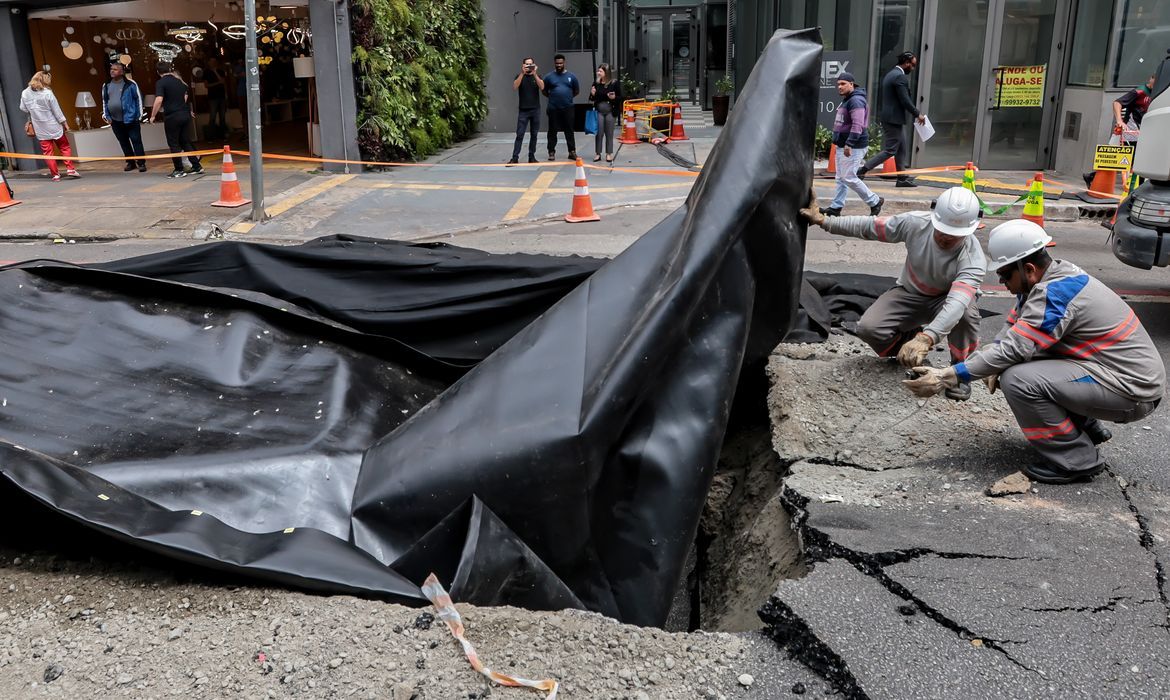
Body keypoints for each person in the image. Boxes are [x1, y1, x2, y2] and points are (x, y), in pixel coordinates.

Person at [904, 220, 1165, 484]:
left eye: (1005, 275)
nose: (1003, 282)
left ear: (1027, 268)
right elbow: (1010, 334)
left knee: (1019, 379)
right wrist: (986, 362)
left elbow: (1014, 349)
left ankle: (1077, 460)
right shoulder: (1044, 282)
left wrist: (947, 376)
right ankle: (1086, 429)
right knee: (1016, 364)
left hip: (1133, 391)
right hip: (1112, 375)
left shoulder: (1056, 293)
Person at [800, 186, 985, 400]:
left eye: (954, 235)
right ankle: (905, 349)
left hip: (946, 299)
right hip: (911, 293)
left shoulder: (973, 258)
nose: (946, 238)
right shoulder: (916, 223)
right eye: (942, 230)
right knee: (868, 328)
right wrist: (825, 221)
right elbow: (870, 227)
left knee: (966, 315)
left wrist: (927, 338)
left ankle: (959, 371)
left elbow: (957, 303)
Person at [859, 51, 925, 187]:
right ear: (906, 63)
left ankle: (902, 178)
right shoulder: (899, 77)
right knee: (891, 150)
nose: (913, 68)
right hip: (893, 119)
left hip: (893, 118)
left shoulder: (891, 74)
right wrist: (917, 114)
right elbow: (905, 100)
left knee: (902, 148)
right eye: (912, 65)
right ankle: (863, 169)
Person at [821, 71, 882, 217]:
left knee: (848, 177)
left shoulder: (856, 101)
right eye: (838, 84)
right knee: (841, 178)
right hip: (844, 145)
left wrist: (849, 143)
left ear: (852, 84)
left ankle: (875, 201)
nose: (839, 87)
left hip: (853, 146)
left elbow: (857, 125)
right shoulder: (848, 99)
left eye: (843, 84)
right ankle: (836, 208)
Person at [1082, 74, 1155, 186]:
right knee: (1127, 159)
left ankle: (1091, 177)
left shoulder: (1156, 93)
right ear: (1151, 79)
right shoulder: (1139, 91)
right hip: (1130, 130)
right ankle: (1093, 177)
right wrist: (1119, 120)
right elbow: (1117, 102)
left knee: (1124, 159)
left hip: (1142, 130)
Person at [19, 71, 80, 182]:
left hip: (40, 127)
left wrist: (34, 110)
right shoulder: (47, 93)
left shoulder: (25, 93)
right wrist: (65, 124)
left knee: (48, 152)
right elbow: (57, 111)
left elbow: (23, 108)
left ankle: (55, 175)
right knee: (64, 147)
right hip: (53, 125)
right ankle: (70, 169)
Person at [150, 62, 203, 178]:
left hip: (172, 116)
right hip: (184, 113)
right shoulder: (180, 81)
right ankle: (196, 166)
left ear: (158, 72)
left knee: (173, 143)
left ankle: (179, 169)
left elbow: (159, 100)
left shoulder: (161, 83)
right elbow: (184, 98)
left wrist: (153, 115)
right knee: (185, 141)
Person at [101, 62, 147, 173]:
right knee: (123, 142)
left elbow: (138, 99)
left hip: (131, 119)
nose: (112, 71)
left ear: (122, 72)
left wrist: (139, 116)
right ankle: (130, 163)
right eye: (111, 69)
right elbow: (105, 101)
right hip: (115, 120)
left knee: (136, 141)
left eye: (115, 69)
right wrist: (107, 116)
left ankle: (141, 163)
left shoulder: (130, 84)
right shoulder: (106, 85)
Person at [543, 54, 579, 161]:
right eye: (557, 63)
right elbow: (544, 90)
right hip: (553, 108)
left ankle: (572, 152)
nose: (559, 65)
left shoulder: (571, 76)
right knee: (552, 130)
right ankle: (551, 151)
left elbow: (576, 91)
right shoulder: (549, 77)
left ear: (564, 63)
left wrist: (566, 97)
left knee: (569, 130)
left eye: (561, 63)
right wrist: (553, 97)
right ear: (554, 63)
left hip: (568, 107)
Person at [508, 57, 544, 165]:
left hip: (535, 109)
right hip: (523, 110)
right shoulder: (520, 76)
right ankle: (515, 157)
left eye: (530, 64)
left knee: (534, 134)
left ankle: (531, 156)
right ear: (523, 65)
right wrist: (522, 73)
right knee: (520, 134)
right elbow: (515, 86)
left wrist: (534, 73)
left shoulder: (536, 76)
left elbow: (542, 87)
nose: (529, 66)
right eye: (527, 64)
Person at [589, 64, 621, 163]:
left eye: (600, 71)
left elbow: (620, 98)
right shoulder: (596, 83)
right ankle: (598, 153)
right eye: (598, 71)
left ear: (606, 73)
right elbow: (591, 98)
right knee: (599, 133)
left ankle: (609, 153)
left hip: (610, 111)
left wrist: (614, 98)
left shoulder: (614, 83)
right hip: (599, 111)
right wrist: (592, 94)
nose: (598, 73)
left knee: (609, 133)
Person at [204, 57, 228, 139]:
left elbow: (223, 82)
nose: (212, 63)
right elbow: (206, 85)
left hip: (221, 96)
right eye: (211, 61)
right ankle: (211, 137)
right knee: (213, 116)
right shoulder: (206, 72)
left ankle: (223, 135)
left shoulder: (221, 71)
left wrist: (215, 72)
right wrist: (218, 83)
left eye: (214, 61)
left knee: (222, 116)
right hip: (212, 97)